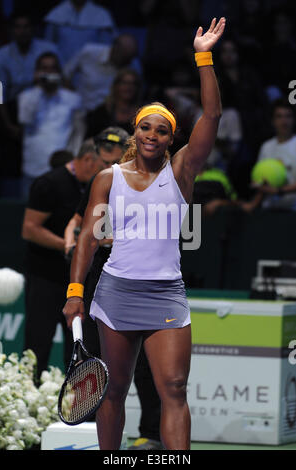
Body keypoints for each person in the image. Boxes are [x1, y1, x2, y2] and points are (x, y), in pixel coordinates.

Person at [63, 17, 226, 450]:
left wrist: (203, 57)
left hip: (166, 294)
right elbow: (88, 239)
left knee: (173, 389)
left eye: (163, 130)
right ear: (135, 131)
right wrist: (76, 292)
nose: (153, 134)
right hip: (115, 294)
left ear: (172, 140)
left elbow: (213, 114)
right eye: (146, 127)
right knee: (112, 391)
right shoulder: (107, 178)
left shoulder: (182, 171)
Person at [64, 127, 163, 449]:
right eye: (104, 145)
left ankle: (151, 433)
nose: (111, 151)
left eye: (117, 146)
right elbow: (80, 224)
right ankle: (93, 433)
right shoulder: (104, 179)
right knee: (98, 360)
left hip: (146, 277)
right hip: (101, 274)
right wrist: (72, 241)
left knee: (148, 365)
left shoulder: (152, 182)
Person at [21, 139, 100, 380]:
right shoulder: (49, 184)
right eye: (101, 165)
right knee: (37, 347)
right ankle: (27, 407)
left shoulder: (94, 187)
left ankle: (77, 411)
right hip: (46, 279)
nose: (103, 172)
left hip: (79, 285)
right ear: (87, 160)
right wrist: (68, 246)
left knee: (78, 351)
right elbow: (30, 229)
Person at [0, 11, 60, 198]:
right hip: (13, 107)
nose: (22, 31)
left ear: (32, 30)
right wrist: (8, 125)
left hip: (45, 102)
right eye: (18, 27)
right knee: (11, 160)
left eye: (26, 27)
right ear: (12, 30)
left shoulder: (47, 48)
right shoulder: (3, 54)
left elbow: (61, 78)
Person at [18, 52, 85, 199]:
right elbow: (25, 119)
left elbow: (78, 134)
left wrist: (73, 160)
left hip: (62, 168)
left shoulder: (73, 99)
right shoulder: (26, 97)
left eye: (52, 68)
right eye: (44, 68)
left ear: (59, 72)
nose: (48, 72)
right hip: (33, 166)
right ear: (37, 72)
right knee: (27, 215)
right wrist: (39, 87)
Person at [239, 99, 296, 212]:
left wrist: (279, 191)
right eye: (279, 116)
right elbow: (262, 180)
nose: (284, 121)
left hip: (293, 211)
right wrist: (253, 204)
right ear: (273, 121)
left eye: (288, 116)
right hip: (269, 210)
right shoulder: (266, 146)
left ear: (293, 120)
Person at [63, 34, 141, 112]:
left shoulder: (133, 64)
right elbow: (65, 74)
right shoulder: (89, 52)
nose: (127, 62)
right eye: (125, 58)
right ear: (115, 49)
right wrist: (73, 98)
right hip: (83, 110)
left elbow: (137, 92)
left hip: (112, 115)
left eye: (129, 59)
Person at [44, 0, 116, 63]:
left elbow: (106, 48)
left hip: (92, 69)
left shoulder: (101, 15)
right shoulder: (57, 13)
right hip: (61, 65)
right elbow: (49, 45)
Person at [86, 68, 142, 138]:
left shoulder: (142, 117)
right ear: (116, 86)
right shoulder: (101, 113)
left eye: (133, 84)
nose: (128, 87)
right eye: (124, 83)